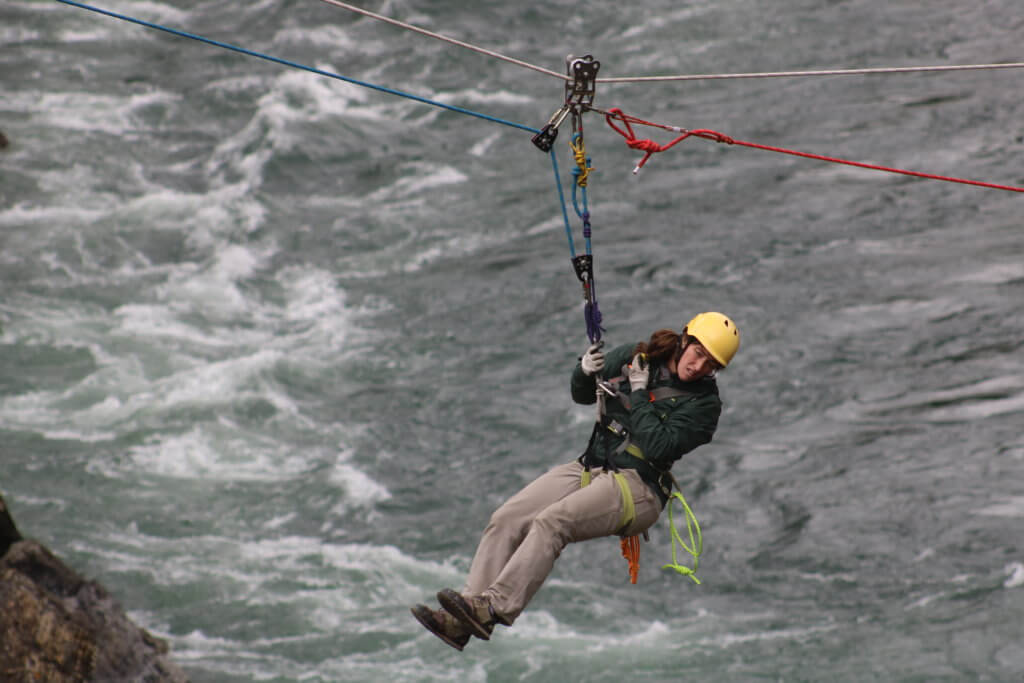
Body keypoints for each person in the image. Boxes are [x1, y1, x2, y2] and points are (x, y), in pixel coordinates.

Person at [411, 312, 740, 650]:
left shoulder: (705, 408)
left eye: (711, 365)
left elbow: (658, 445)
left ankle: (493, 607)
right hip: (593, 466)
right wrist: (584, 370)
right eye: (698, 354)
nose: (699, 367)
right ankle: (461, 619)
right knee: (507, 519)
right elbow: (583, 394)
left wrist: (639, 393)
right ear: (686, 340)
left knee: (553, 523)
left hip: (639, 487)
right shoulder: (638, 356)